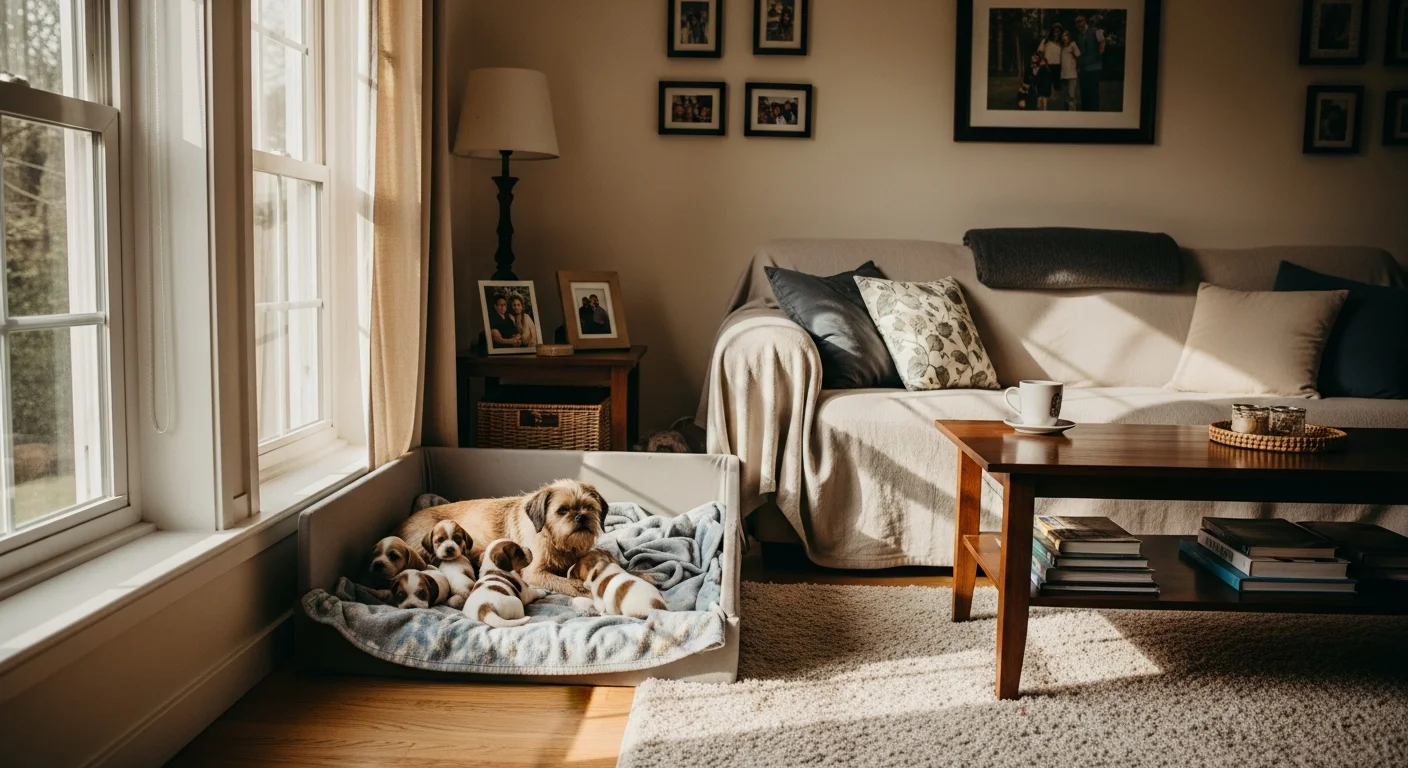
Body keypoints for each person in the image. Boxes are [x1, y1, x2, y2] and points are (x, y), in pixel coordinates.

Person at [1074, 14, 1105, 111]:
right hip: (1084, 68)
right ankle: (1086, 110)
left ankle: (1094, 111)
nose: (1079, 24)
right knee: (1084, 90)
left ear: (1085, 21)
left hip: (1094, 67)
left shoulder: (1095, 31)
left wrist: (1098, 54)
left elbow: (1102, 42)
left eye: (1081, 21)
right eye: (1077, 22)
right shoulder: (1079, 36)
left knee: (1093, 91)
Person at [1039, 24, 1065, 105]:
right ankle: (1044, 105)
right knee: (1046, 87)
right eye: (1055, 30)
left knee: (1058, 87)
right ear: (1052, 31)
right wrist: (1044, 59)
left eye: (1058, 30)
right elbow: (1039, 52)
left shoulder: (1062, 43)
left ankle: (1058, 104)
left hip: (1058, 66)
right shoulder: (1046, 41)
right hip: (1048, 66)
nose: (1056, 32)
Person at [1059, 29, 1081, 111]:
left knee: (1071, 94)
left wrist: (1073, 53)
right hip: (1063, 74)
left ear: (1069, 37)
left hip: (1071, 74)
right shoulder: (1063, 48)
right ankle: (1066, 111)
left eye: (1066, 36)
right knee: (1065, 95)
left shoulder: (1073, 44)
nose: (1064, 38)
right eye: (1063, 36)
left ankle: (1073, 110)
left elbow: (1078, 55)